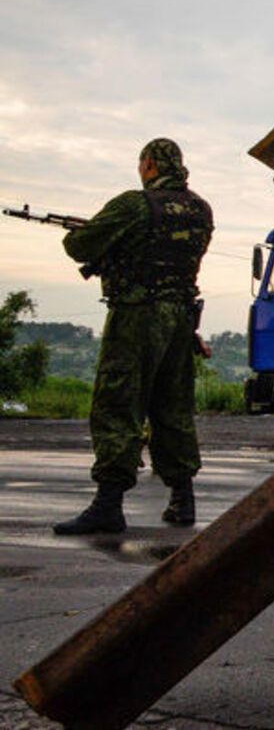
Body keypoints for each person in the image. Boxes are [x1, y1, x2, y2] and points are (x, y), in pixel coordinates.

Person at [53, 138, 213, 534]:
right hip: (180, 319)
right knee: (173, 407)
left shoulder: (135, 204)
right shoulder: (200, 209)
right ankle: (182, 499)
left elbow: (78, 246)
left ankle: (108, 504)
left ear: (149, 165)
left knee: (117, 403)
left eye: (141, 163)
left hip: (137, 316)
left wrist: (94, 232)